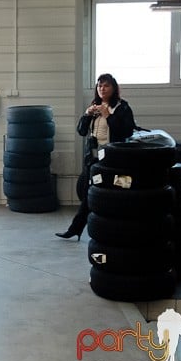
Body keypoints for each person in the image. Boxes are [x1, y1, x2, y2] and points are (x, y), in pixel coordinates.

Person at [56, 73, 137, 240]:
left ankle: (118, 229)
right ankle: (76, 229)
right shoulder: (95, 106)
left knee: (117, 194)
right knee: (88, 194)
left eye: (106, 86)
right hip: (94, 158)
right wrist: (87, 114)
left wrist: (108, 115)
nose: (102, 89)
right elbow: (81, 131)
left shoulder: (122, 107)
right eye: (99, 86)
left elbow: (127, 131)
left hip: (114, 160)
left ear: (114, 88)